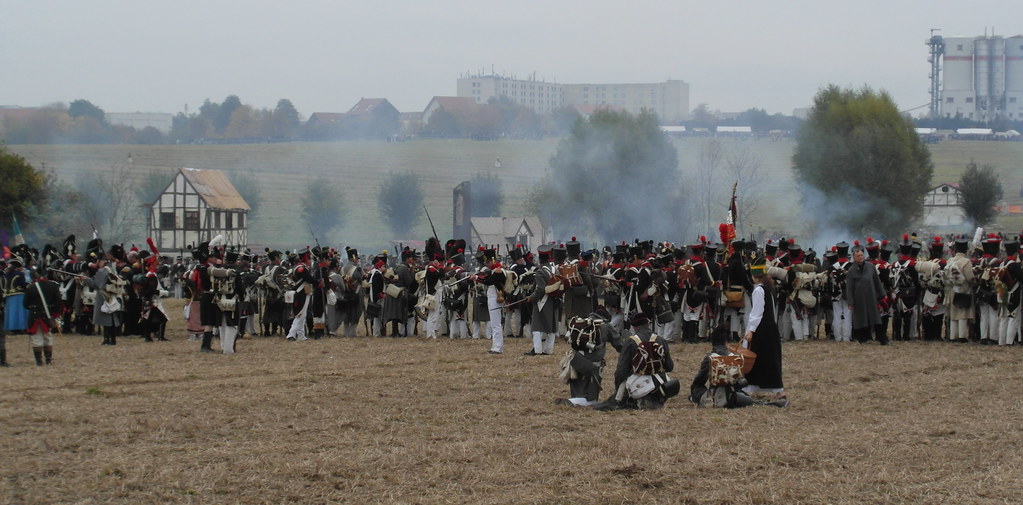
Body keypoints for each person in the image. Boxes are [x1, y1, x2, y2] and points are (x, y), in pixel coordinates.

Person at [594, 312, 678, 410]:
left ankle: (638, 401)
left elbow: (621, 371)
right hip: (661, 385)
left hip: (639, 386)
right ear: (647, 324)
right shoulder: (661, 340)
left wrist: (618, 389)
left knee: (607, 405)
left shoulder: (631, 342)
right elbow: (669, 367)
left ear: (634, 327)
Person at [742, 258, 786, 402]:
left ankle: (775, 390)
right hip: (770, 327)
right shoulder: (769, 288)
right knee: (767, 360)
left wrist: (750, 330)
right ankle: (754, 387)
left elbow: (757, 313)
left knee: (758, 359)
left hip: (761, 329)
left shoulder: (758, 290)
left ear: (754, 276)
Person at [555, 308, 615, 407]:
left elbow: (567, 339)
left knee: (578, 386)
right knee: (591, 399)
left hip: (576, 360)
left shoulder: (578, 324)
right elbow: (619, 344)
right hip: (594, 365)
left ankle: (575, 399)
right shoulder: (605, 326)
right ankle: (575, 402)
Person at [847, 245, 888, 345]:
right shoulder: (851, 270)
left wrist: (882, 294)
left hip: (872, 296)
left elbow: (877, 281)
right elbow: (849, 288)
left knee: (876, 318)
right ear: (854, 258)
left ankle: (882, 338)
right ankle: (864, 338)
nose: (860, 257)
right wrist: (850, 302)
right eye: (858, 256)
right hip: (859, 298)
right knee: (862, 318)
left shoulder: (871, 266)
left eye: (861, 255)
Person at [22, 273, 63, 366]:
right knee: (48, 337)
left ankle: (39, 361)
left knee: (36, 338)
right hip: (48, 315)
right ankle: (48, 360)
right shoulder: (53, 286)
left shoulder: (31, 287)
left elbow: (25, 304)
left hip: (34, 315)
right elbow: (58, 302)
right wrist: (55, 314)